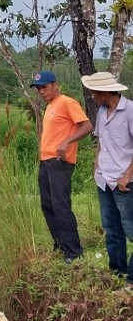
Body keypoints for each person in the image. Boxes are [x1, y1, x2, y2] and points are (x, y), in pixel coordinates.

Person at [31, 70, 93, 264]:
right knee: (47, 205)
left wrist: (67, 142)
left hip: (60, 162)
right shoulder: (50, 107)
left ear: (55, 85)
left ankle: (74, 252)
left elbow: (87, 126)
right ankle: (60, 244)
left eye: (45, 86)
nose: (41, 91)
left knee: (61, 205)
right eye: (38, 88)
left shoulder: (67, 102)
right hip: (46, 160)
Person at [81, 72, 133, 290]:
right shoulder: (102, 112)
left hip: (124, 182)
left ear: (104, 91)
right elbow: (101, 141)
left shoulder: (130, 111)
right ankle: (117, 274)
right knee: (112, 230)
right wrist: (97, 166)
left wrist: (127, 175)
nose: (92, 96)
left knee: (130, 230)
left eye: (94, 92)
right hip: (104, 180)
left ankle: (131, 280)